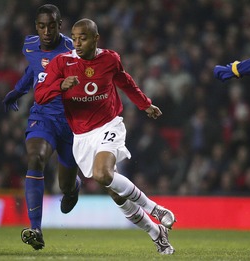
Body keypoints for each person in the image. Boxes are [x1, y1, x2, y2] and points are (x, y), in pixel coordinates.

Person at [34, 18, 176, 255]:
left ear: (96, 38)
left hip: (109, 125)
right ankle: (156, 233)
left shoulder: (110, 59)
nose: (78, 43)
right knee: (114, 190)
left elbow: (126, 83)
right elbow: (39, 95)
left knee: (103, 174)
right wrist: (60, 86)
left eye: (84, 38)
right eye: (75, 38)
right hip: (81, 136)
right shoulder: (62, 63)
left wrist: (145, 104)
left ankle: (156, 209)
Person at [2, 4, 81, 250]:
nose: (46, 31)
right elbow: (34, 70)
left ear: (60, 24)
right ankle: (35, 228)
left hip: (70, 122)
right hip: (42, 116)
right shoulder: (30, 45)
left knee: (65, 185)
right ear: (36, 26)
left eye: (51, 25)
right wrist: (18, 90)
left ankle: (72, 188)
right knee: (35, 158)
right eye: (41, 25)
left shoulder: (73, 49)